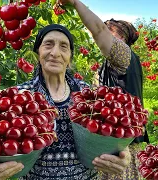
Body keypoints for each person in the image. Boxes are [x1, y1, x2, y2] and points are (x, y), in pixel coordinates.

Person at [0, 24, 131, 180]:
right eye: (48, 44)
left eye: (63, 46)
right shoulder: (20, 96)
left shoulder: (89, 94)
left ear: (70, 57)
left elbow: (116, 128)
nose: (55, 52)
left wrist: (123, 154)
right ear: (38, 52)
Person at [58, 0, 149, 179]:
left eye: (110, 32)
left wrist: (76, 3)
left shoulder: (123, 55)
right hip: (119, 135)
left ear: (121, 38)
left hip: (118, 143)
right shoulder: (119, 61)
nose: (101, 36)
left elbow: (99, 31)